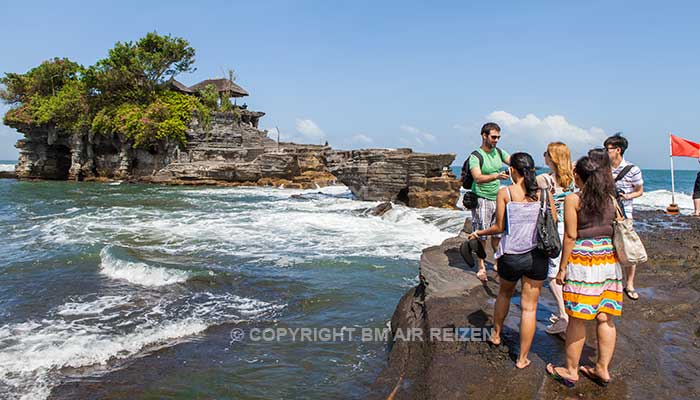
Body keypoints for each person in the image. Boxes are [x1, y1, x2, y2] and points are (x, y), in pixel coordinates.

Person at [468, 152, 557, 369]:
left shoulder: (505, 192)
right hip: (537, 256)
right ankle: (522, 358)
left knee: (505, 294)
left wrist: (479, 233)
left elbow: (499, 227)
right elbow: (553, 219)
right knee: (529, 308)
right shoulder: (544, 192)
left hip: (512, 256)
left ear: (512, 170)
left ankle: (496, 335)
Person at [546, 156, 623, 388]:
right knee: (605, 316)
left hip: (584, 259)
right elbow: (618, 224)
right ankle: (602, 369)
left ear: (580, 175)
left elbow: (570, 236)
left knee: (578, 318)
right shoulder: (611, 198)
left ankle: (570, 371)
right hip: (609, 259)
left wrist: (562, 268)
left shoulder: (573, 199)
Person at [536, 142, 575, 335]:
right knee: (566, 271)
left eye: (546, 153)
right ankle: (571, 311)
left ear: (552, 158)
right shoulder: (575, 179)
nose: (543, 156)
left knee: (552, 275)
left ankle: (563, 316)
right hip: (574, 228)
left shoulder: (547, 179)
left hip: (556, 229)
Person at [467, 122, 511, 282]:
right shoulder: (476, 156)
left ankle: (497, 263)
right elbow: (477, 177)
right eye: (493, 137)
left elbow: (513, 160)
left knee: (498, 234)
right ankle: (481, 266)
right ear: (484, 136)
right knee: (482, 235)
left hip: (497, 198)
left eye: (498, 137)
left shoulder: (498, 152)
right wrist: (497, 176)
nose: (496, 140)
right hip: (481, 198)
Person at [604, 133, 644, 300]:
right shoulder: (603, 168)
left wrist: (627, 196)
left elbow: (640, 190)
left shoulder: (632, 169)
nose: (605, 152)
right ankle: (611, 282)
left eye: (607, 149)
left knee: (628, 248)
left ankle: (630, 283)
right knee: (608, 247)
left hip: (624, 214)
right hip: (605, 213)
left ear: (618, 150)